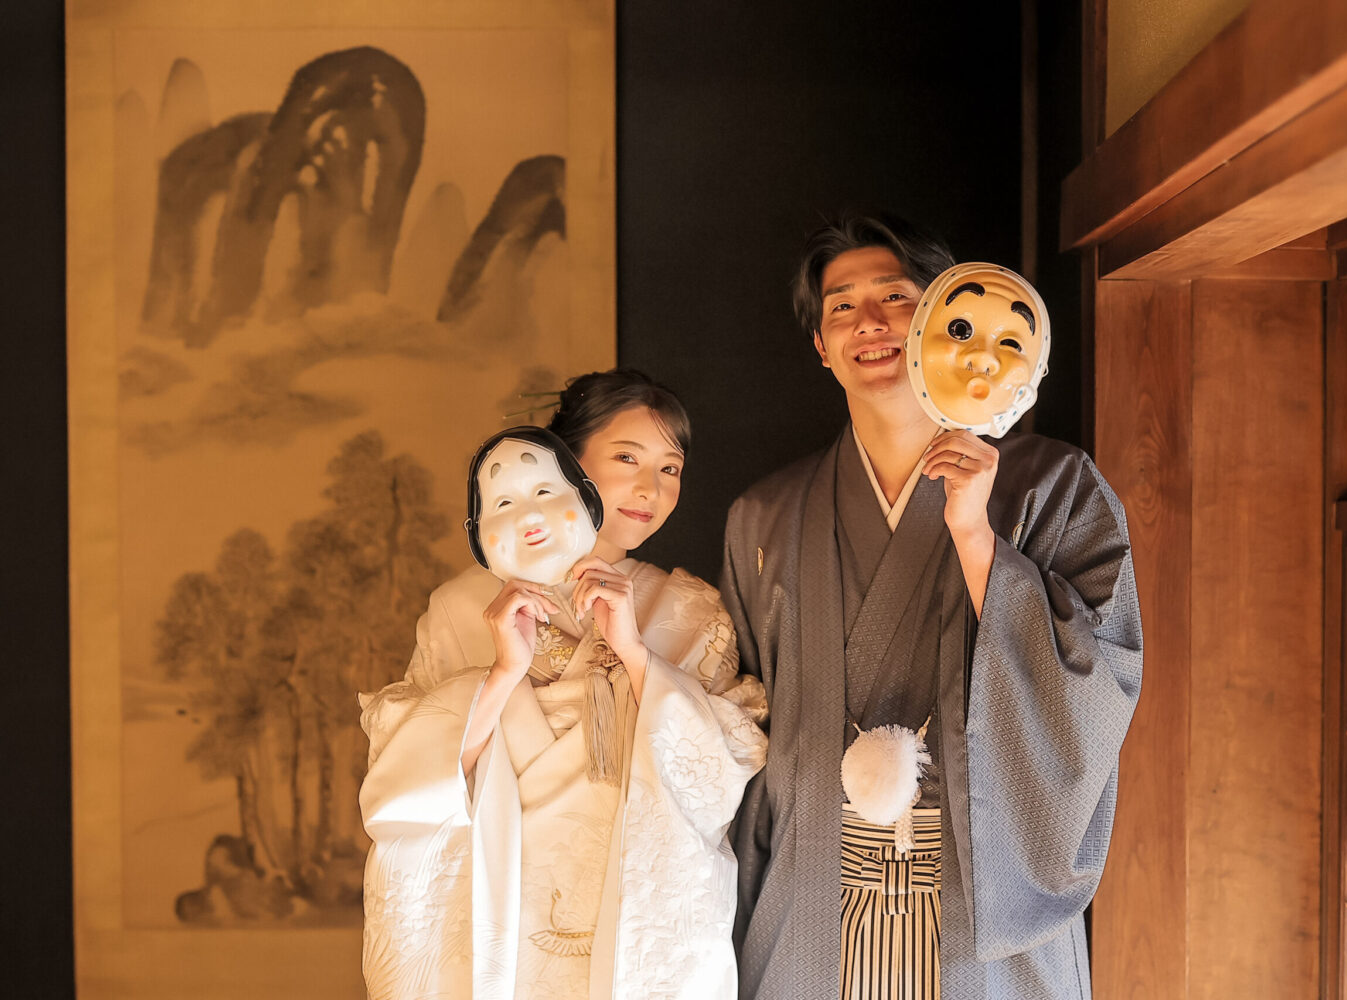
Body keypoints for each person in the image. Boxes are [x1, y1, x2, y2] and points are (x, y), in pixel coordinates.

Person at [724, 215, 1142, 999]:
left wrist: (977, 538)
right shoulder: (764, 518)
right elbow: (737, 728)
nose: (869, 322)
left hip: (981, 912)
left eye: (897, 298)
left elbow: (1097, 683)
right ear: (820, 345)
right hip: (810, 904)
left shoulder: (1054, 487)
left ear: (944, 318)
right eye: (841, 306)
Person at [360, 369, 768, 1000]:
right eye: (627, 457)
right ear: (565, 462)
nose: (651, 487)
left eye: (670, 468)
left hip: (636, 929)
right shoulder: (463, 609)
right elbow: (404, 790)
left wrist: (636, 655)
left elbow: (719, 783)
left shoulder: (689, 612)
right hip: (499, 922)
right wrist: (502, 674)